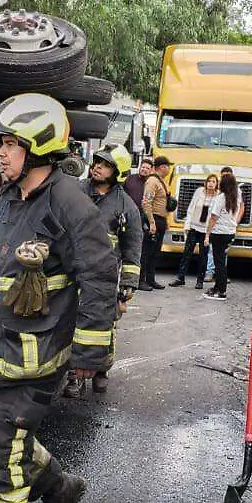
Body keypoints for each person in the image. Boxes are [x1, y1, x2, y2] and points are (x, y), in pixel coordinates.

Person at [0, 93, 117, 503]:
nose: (0, 154)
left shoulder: (70, 204)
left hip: (35, 359)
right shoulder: (8, 201)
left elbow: (99, 275)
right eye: (1, 144)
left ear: (39, 147)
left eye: (9, 144)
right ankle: (60, 488)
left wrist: (91, 352)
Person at [64, 145, 142, 397]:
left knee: (104, 326)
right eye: (96, 161)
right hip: (72, 271)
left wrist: (128, 282)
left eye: (105, 164)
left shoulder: (126, 205)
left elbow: (132, 244)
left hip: (105, 278)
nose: (97, 166)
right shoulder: (75, 192)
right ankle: (74, 376)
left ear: (117, 172)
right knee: (71, 323)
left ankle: (101, 369)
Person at [170, 174, 218, 289]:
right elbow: (191, 208)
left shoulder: (218, 196)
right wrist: (187, 225)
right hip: (194, 227)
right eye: (209, 181)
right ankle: (180, 278)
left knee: (203, 255)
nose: (211, 183)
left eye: (213, 181)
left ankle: (200, 280)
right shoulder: (199, 192)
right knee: (187, 253)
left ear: (217, 184)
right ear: (206, 182)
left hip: (206, 230)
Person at [202, 174, 243, 300]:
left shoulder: (221, 198)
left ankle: (221, 291)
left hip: (219, 233)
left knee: (218, 263)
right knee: (221, 261)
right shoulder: (236, 197)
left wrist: (207, 234)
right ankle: (217, 287)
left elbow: (214, 217)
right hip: (230, 232)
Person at [138, 155, 173, 291]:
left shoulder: (162, 181)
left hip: (161, 220)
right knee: (146, 252)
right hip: (153, 219)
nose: (169, 169)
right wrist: (152, 222)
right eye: (167, 166)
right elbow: (146, 202)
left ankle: (150, 279)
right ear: (162, 167)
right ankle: (141, 280)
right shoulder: (152, 181)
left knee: (154, 252)